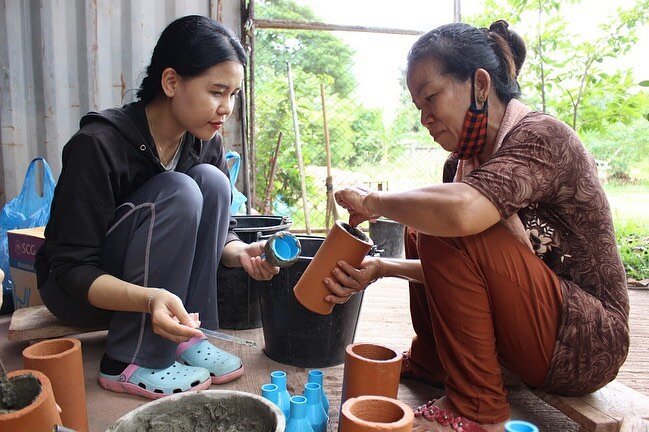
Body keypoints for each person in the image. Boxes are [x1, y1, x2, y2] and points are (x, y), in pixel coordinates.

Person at [330, 20, 629, 432]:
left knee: (444, 223)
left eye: (431, 97)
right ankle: (436, 364)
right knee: (424, 226)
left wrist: (373, 202)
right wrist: (381, 268)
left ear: (481, 84)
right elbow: (469, 273)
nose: (425, 119)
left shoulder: (542, 137)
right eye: (418, 106)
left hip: (586, 341)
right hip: (535, 322)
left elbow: (460, 219)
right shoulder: (461, 163)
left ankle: (476, 409)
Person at [35, 15, 279, 400]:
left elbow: (218, 229)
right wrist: (150, 300)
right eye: (217, 91)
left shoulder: (204, 140)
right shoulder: (98, 145)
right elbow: (71, 268)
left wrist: (238, 252)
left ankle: (188, 337)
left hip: (162, 297)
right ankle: (129, 358)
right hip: (83, 292)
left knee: (211, 183)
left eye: (234, 95)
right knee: (180, 190)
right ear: (170, 82)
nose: (227, 108)